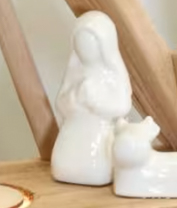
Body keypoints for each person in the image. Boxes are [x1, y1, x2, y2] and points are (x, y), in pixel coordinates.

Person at [51, 11, 133, 186]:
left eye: (90, 44)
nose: (85, 49)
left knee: (97, 164)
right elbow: (61, 102)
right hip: (73, 130)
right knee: (63, 162)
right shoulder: (75, 72)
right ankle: (68, 169)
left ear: (104, 45)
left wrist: (96, 103)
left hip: (99, 132)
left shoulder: (112, 74)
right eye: (80, 44)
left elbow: (122, 105)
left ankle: (94, 171)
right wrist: (74, 98)